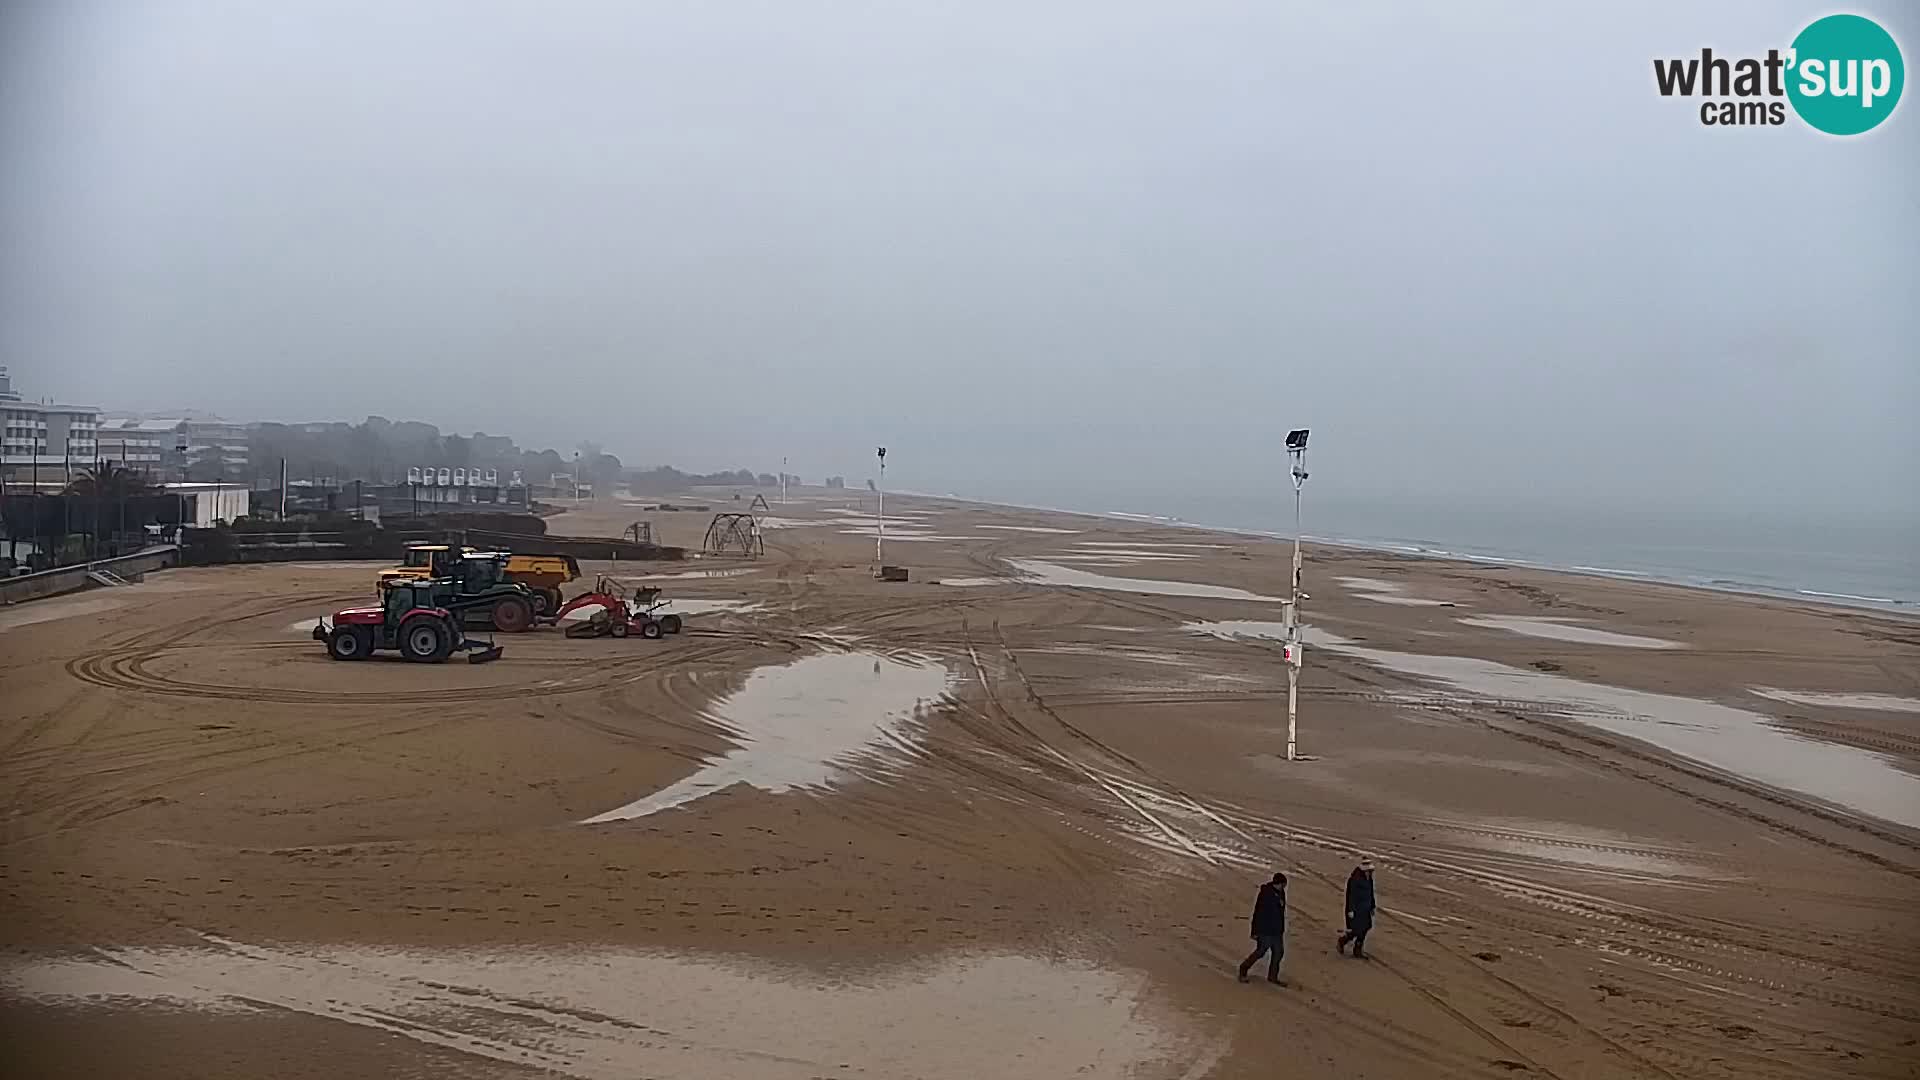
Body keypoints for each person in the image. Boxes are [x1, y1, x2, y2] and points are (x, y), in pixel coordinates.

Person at [1236, 871, 1288, 984]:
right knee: (1260, 952)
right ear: (1278, 883)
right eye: (1283, 884)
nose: (1284, 887)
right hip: (1265, 930)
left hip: (1277, 931)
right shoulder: (1265, 894)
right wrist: (1255, 931)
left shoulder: (1281, 893)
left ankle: (1272, 976)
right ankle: (1243, 968)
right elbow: (1257, 912)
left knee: (1278, 953)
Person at [1336, 859, 1376, 958]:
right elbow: (1351, 896)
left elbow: (1371, 893)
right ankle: (1342, 941)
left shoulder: (1369, 879)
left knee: (1365, 928)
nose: (1369, 873)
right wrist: (1351, 910)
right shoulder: (1354, 880)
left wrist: (1372, 906)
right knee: (1355, 930)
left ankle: (1357, 949)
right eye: (1368, 871)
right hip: (1356, 909)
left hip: (1366, 908)